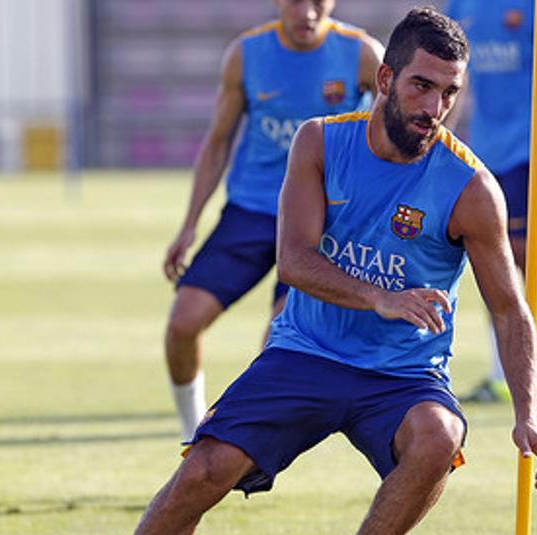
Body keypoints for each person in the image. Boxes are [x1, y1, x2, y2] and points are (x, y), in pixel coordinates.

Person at [47, 8, 537, 535]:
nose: (436, 107)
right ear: (385, 78)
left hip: (401, 374)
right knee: (202, 470)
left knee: (440, 437)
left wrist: (528, 413)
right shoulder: (319, 142)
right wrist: (382, 296)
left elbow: (512, 311)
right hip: (305, 352)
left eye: (450, 93)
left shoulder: (471, 188)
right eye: (422, 86)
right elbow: (293, 260)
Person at [163, 0, 383, 441]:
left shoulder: (361, 54)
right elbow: (218, 141)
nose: (306, 12)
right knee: (181, 326)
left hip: (321, 222)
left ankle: (238, 445)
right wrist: (189, 224)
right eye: (296, 1)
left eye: (317, 2)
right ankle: (193, 434)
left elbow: (390, 130)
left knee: (277, 346)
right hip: (251, 211)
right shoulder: (246, 54)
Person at [444, 0, 537, 404]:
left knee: (524, 251)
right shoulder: (462, 5)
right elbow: (453, 71)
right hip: (487, 151)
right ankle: (498, 374)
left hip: (533, 146)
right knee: (486, 255)